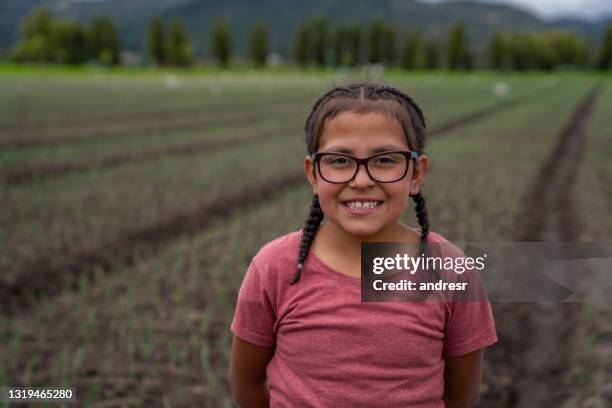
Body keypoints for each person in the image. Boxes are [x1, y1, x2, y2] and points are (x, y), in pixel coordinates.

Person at [228, 82, 498, 407]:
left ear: (416, 173)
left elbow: (460, 397)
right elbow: (248, 386)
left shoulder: (452, 272)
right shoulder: (274, 267)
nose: (361, 180)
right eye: (340, 161)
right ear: (313, 174)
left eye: (385, 160)